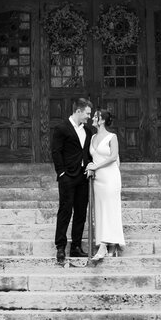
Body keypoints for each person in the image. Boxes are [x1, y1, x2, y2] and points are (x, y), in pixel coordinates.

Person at [50, 95, 93, 263]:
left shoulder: (87, 131)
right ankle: (60, 247)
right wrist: (61, 173)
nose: (89, 117)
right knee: (65, 211)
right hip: (67, 177)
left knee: (81, 213)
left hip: (83, 177)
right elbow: (56, 151)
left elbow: (88, 153)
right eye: (87, 113)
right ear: (78, 111)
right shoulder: (62, 128)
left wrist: (89, 166)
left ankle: (76, 247)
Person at [86, 107, 124, 262]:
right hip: (98, 179)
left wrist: (96, 166)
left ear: (101, 120)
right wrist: (91, 167)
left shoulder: (112, 137)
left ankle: (103, 246)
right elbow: (92, 157)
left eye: (95, 116)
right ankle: (111, 244)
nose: (92, 118)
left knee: (110, 209)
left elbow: (114, 156)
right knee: (101, 211)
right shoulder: (93, 137)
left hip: (110, 177)